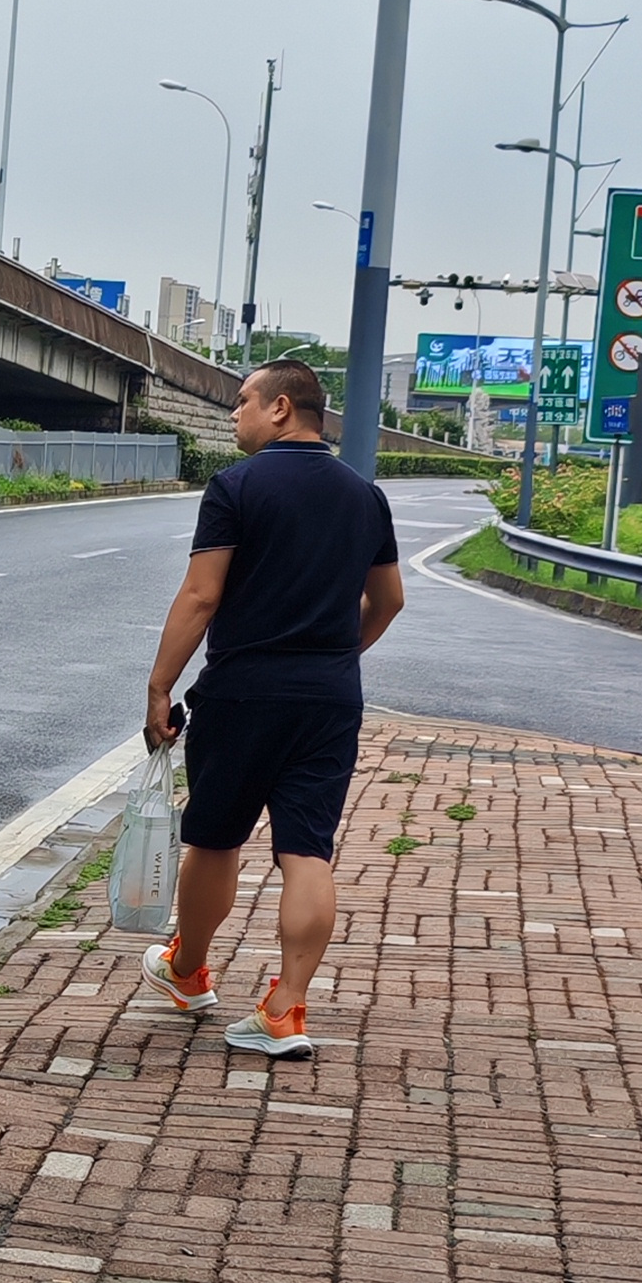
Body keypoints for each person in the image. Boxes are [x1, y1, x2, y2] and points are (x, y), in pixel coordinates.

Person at [138, 359, 405, 1054]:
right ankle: (287, 1009)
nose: (234, 415)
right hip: (330, 698)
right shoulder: (364, 495)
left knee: (216, 838)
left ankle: (189, 969)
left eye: (242, 402)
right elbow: (389, 601)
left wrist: (160, 687)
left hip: (244, 692)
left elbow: (201, 596)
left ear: (282, 408)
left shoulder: (236, 486)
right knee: (307, 851)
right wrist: (338, 656)